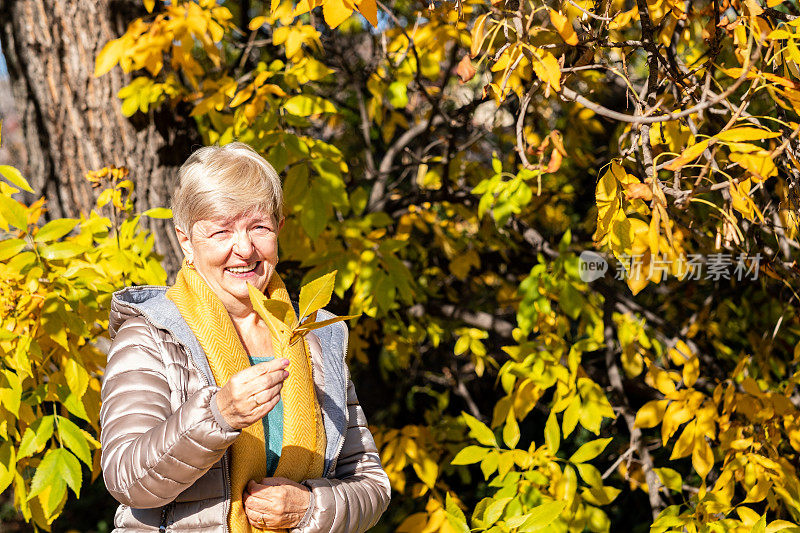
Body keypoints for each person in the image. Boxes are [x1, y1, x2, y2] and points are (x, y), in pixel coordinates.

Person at [100, 142, 391, 533]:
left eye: (259, 227)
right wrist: (217, 415)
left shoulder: (316, 335)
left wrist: (309, 506)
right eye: (221, 231)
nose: (244, 249)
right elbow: (127, 480)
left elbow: (370, 485)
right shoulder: (151, 336)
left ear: (279, 229)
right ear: (186, 241)